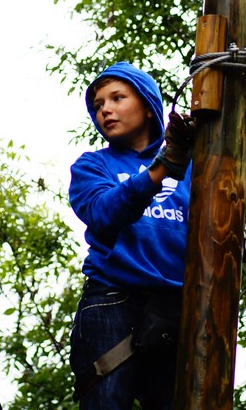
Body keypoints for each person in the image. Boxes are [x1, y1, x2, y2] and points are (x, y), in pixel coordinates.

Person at [68, 61, 195, 409]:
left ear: (149, 107)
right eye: (98, 105)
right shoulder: (94, 165)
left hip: (176, 306)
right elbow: (103, 212)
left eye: (117, 97)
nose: (105, 109)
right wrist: (161, 169)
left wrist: (177, 159)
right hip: (113, 300)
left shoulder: (197, 166)